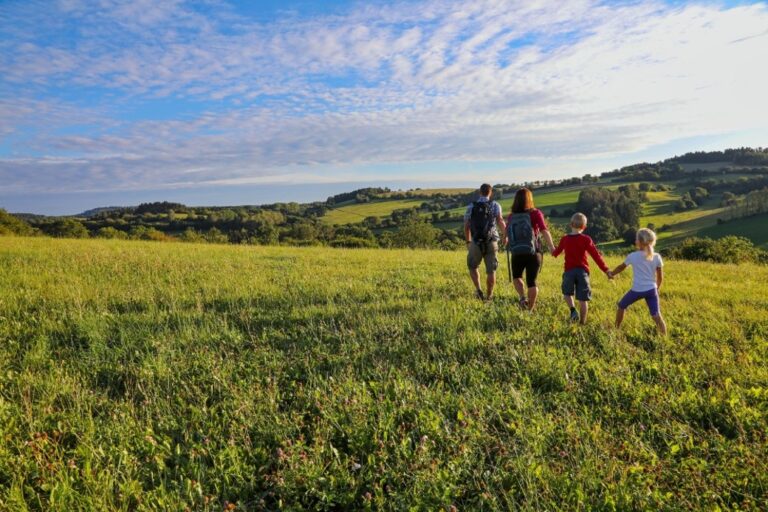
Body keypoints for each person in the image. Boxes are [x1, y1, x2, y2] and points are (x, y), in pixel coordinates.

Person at [551, 212, 611, 324]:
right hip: (583, 272)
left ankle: (573, 310)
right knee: (583, 300)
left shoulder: (565, 239)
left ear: (571, 224)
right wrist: (606, 270)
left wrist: (552, 251)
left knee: (567, 293)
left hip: (569, 271)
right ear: (584, 227)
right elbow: (596, 256)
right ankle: (582, 323)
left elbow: (556, 252)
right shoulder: (586, 239)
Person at [505, 187, 556, 310]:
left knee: (517, 277)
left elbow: (506, 233)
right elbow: (544, 230)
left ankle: (523, 298)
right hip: (534, 251)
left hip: (517, 252)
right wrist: (552, 247)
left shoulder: (512, 216)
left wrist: (506, 242)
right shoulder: (535, 213)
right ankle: (530, 309)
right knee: (531, 282)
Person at [610, 228, 668, 336]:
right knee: (656, 315)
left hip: (637, 290)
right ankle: (665, 337)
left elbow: (621, 267)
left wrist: (611, 274)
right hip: (652, 290)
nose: (635, 240)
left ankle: (616, 329)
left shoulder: (633, 256)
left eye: (636, 239)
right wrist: (657, 288)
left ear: (639, 242)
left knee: (621, 306)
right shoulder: (657, 257)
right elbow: (660, 277)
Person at [464, 183, 506, 301]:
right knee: (491, 270)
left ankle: (478, 290)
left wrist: (468, 241)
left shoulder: (471, 207)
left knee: (472, 266)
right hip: (491, 241)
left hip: (476, 242)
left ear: (480, 192)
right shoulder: (495, 205)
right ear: (490, 192)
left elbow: (466, 226)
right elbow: (500, 221)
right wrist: (505, 235)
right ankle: (489, 295)